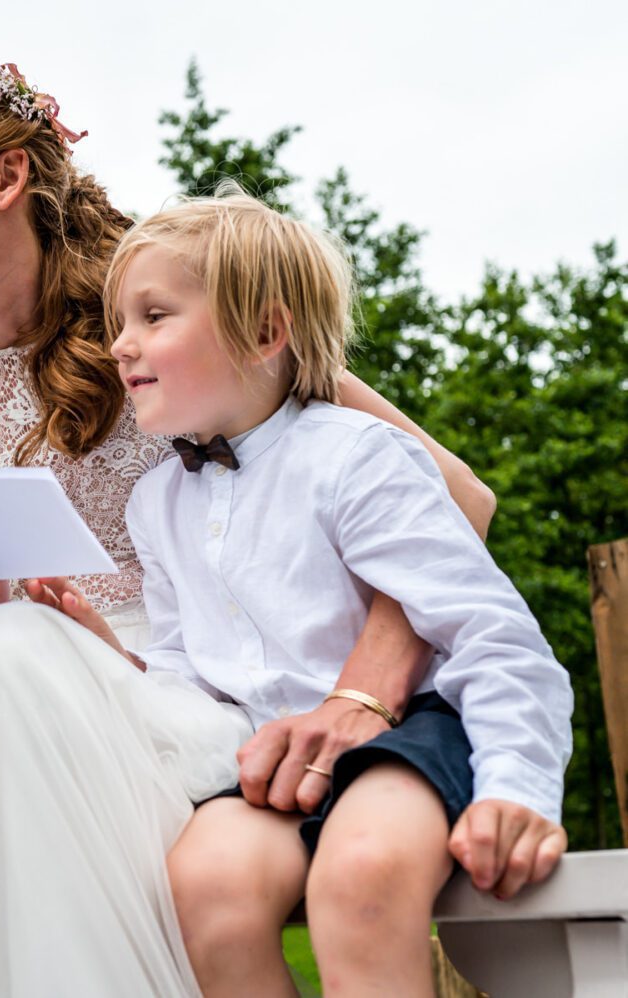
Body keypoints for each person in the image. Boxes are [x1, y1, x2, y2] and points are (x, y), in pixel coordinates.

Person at [0, 64, 500, 996]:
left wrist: (360, 697)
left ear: (7, 176)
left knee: (8, 661)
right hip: (12, 709)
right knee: (2, 659)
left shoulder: (180, 320)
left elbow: (460, 501)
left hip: (225, 707)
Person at [111, 191, 572, 996]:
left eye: (155, 316)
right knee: (200, 894)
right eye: (121, 321)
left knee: (359, 880)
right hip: (260, 758)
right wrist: (110, 662)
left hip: (407, 738)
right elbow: (184, 671)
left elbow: (489, 630)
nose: (122, 345)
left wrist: (517, 787)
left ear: (264, 333)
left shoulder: (358, 456)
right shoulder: (153, 504)